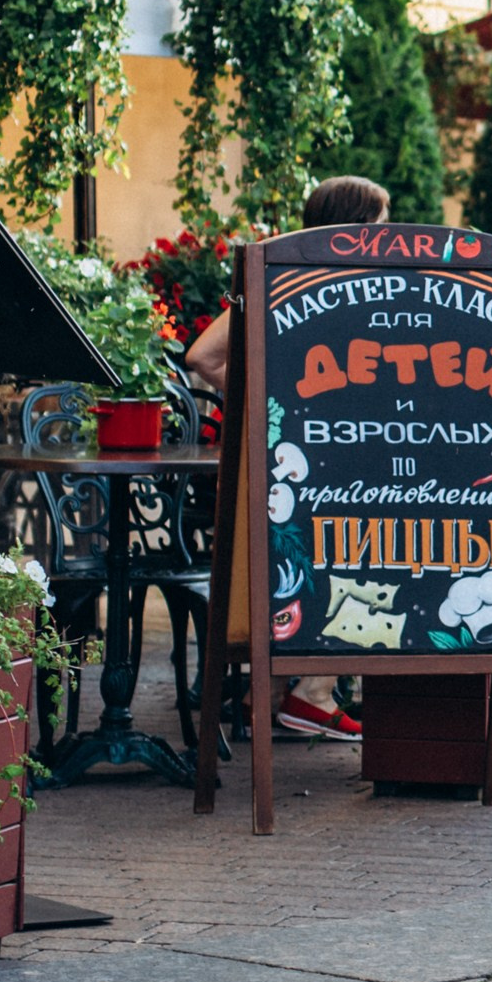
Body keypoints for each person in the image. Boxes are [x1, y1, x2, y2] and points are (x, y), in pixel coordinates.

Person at [186, 174, 392, 740]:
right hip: (331, 465)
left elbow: (202, 356)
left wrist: (265, 394)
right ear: (358, 225)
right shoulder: (361, 287)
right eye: (380, 221)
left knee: (286, 568)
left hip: (281, 466)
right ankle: (313, 694)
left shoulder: (278, 277)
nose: (387, 233)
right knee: (358, 553)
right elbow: (201, 355)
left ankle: (274, 700)